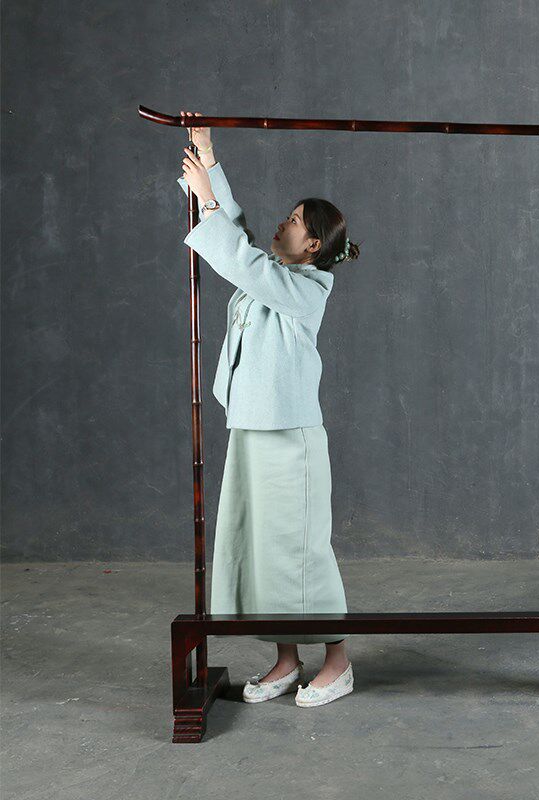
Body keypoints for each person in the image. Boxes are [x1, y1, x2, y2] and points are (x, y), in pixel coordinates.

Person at [176, 111, 361, 708]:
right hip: (251, 426)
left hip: (289, 436)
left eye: (295, 220)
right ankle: (286, 658)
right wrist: (207, 157)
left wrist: (206, 199)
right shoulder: (275, 272)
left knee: (298, 549)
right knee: (259, 547)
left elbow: (237, 257)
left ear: (314, 245)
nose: (282, 222)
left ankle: (338, 661)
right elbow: (234, 231)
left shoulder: (306, 288)